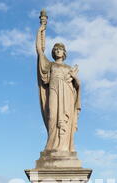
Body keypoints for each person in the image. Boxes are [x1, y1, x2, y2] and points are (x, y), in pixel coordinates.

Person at [36, 23, 81, 153]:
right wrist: (41, 30)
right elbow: (39, 50)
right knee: (52, 117)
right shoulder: (50, 65)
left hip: (67, 94)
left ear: (64, 52)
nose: (57, 51)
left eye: (60, 49)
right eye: (55, 49)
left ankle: (64, 147)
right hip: (54, 91)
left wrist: (76, 79)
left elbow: (77, 86)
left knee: (65, 121)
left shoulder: (68, 68)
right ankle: (51, 146)